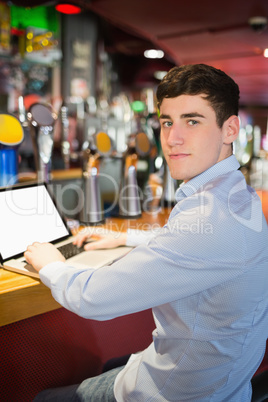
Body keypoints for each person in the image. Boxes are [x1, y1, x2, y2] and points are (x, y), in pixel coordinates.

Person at [25, 64, 268, 401]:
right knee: (114, 361)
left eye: (192, 121)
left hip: (180, 391)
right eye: (168, 122)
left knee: (43, 399)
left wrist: (51, 262)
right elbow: (198, 245)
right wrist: (127, 238)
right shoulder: (236, 194)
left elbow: (94, 298)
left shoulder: (211, 217)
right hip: (224, 380)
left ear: (230, 129)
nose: (172, 138)